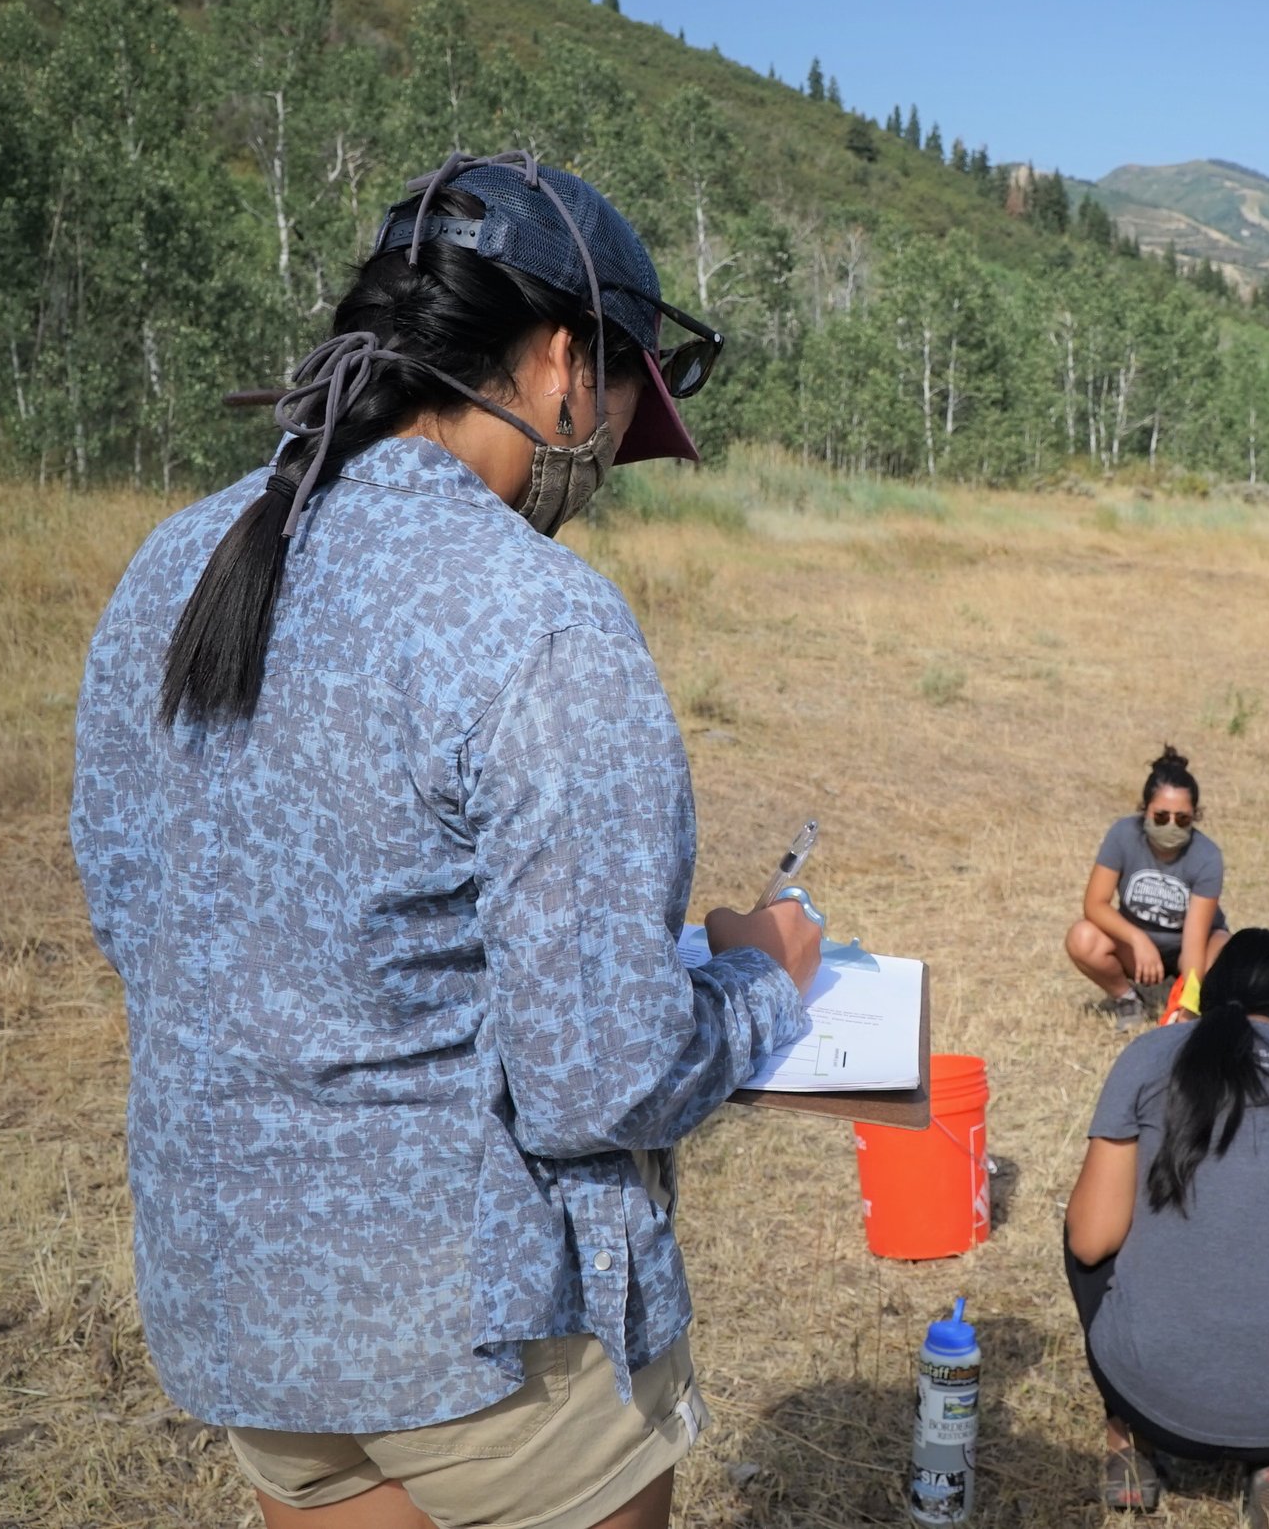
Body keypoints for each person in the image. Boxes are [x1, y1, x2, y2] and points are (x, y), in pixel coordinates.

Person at [70, 151, 824, 1529]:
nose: (603, 466)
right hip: (491, 1346)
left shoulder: (173, 561)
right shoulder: (539, 616)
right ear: (560, 363)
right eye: (620, 406)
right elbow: (601, 1075)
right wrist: (763, 979)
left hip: (245, 1309)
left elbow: (141, 912)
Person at [1064, 929, 1269, 1528]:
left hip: (1152, 1398)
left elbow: (1091, 1240)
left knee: (1083, 1225)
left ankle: (1128, 1443)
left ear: (1210, 991)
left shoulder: (1151, 1054)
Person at [1067, 745, 1231, 1027]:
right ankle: (1127, 999)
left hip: (1189, 947)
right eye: (1161, 816)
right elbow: (1094, 904)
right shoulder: (1122, 835)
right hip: (1135, 946)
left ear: (1195, 816)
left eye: (1182, 819)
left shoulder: (1207, 856)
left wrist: (1188, 1006)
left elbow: (1194, 938)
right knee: (1082, 938)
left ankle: (1195, 1004)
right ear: (1145, 810)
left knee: (1227, 953)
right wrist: (1137, 939)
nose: (1171, 826)